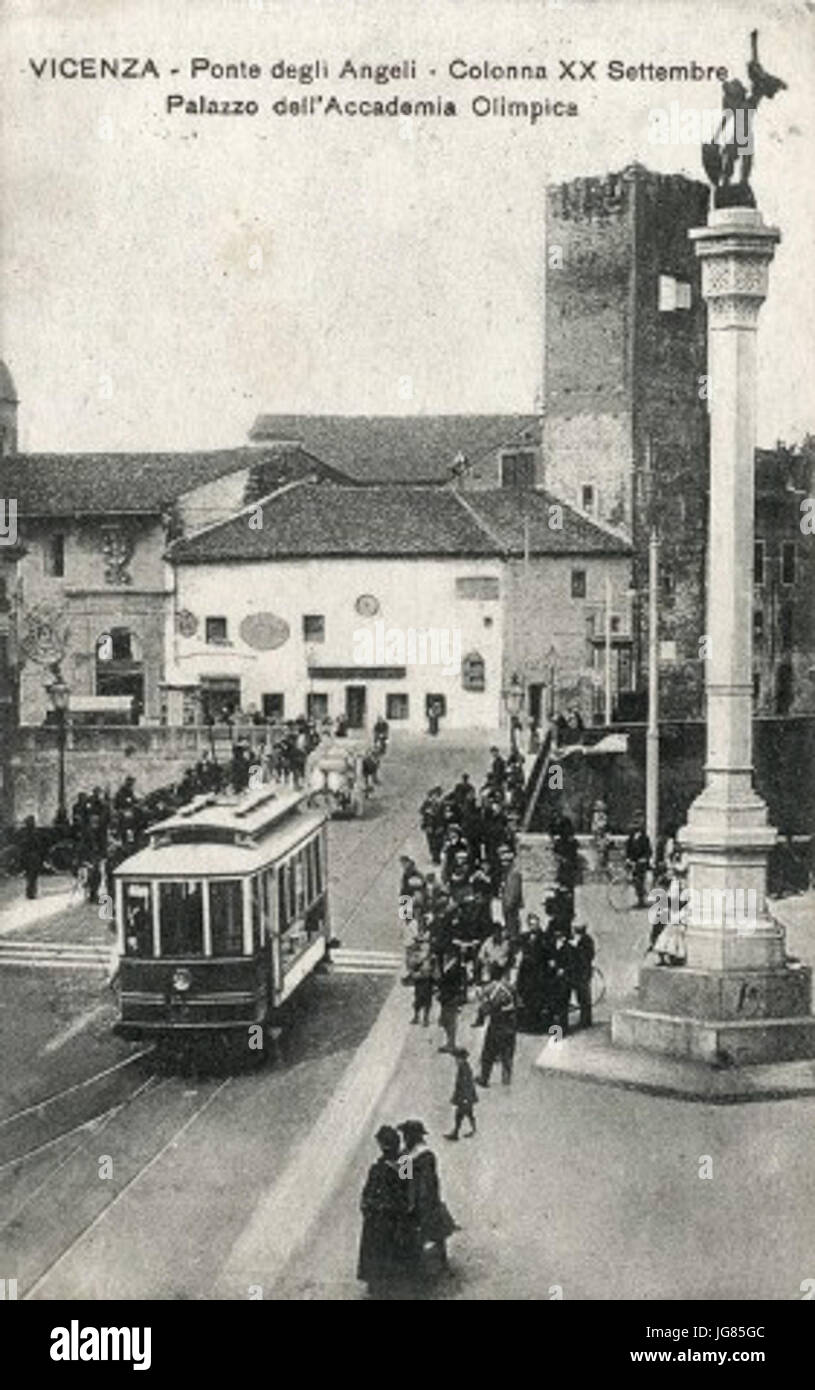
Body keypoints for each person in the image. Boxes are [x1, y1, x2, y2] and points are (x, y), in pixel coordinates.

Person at [357, 1125, 418, 1298]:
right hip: (382, 1215)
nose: (384, 1148)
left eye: (385, 1144)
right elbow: (369, 1190)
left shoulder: (398, 1163)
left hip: (390, 1216)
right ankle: (379, 1284)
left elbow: (407, 1189)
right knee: (380, 1249)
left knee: (384, 1249)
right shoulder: (384, 1165)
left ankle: (384, 1285)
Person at [398, 1120, 457, 1275]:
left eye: (407, 1135)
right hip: (421, 1197)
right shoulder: (412, 1154)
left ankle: (440, 1264)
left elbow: (418, 1181)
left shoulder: (418, 1155)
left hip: (423, 1198)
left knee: (432, 1230)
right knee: (431, 1231)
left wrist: (415, 1200)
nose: (405, 1138)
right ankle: (431, 1264)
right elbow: (405, 1179)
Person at [474, 963, 518, 1086]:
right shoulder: (511, 987)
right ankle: (506, 1081)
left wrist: (481, 1019)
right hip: (510, 1024)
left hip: (496, 1024)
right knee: (508, 1054)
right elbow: (518, 1004)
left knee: (488, 1053)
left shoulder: (488, 989)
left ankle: (484, 1078)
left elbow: (484, 1009)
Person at [437, 947, 467, 1054]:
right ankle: (449, 1043)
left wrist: (460, 996)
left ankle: (451, 1044)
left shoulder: (457, 966)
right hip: (445, 996)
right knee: (445, 1021)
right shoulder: (447, 964)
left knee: (450, 1021)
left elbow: (461, 983)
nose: (445, 955)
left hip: (451, 996)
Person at [445, 1048, 478, 1141]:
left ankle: (456, 1133)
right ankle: (473, 1130)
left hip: (465, 1097)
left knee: (459, 1115)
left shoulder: (464, 1069)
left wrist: (465, 1098)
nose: (456, 1061)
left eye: (457, 1059)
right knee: (469, 1113)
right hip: (467, 1097)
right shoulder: (465, 1067)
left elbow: (465, 1084)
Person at [571, 921, 595, 1028]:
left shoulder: (585, 941)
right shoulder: (584, 940)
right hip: (580, 972)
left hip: (583, 972)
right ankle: (584, 1019)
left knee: (584, 997)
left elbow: (587, 956)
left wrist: (576, 948)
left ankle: (586, 1020)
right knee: (581, 997)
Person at [625, 811, 652, 908]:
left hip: (641, 862)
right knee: (633, 879)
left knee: (639, 879)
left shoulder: (644, 838)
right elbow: (628, 848)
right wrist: (628, 858)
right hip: (634, 861)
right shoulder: (631, 836)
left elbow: (648, 851)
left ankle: (641, 900)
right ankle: (638, 897)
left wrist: (644, 858)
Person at [19, 815, 43, 900]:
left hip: (28, 856)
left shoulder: (24, 834)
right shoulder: (35, 833)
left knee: (30, 876)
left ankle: (30, 892)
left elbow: (22, 846)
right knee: (33, 876)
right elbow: (39, 845)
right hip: (34, 856)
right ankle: (31, 893)